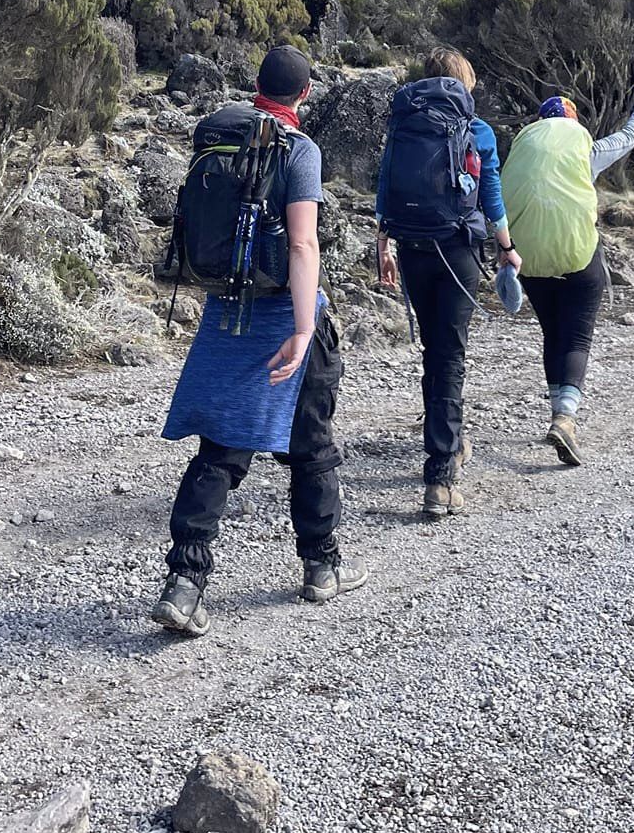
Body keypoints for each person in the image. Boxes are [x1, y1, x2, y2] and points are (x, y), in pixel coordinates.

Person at [151, 44, 365, 637]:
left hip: (226, 312)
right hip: (281, 315)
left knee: (219, 451)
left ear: (257, 89)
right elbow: (302, 245)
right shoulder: (300, 150)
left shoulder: (220, 135)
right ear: (306, 94)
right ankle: (321, 568)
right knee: (312, 447)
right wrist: (302, 329)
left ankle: (184, 586)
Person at [376, 48, 520, 523]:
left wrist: (384, 243)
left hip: (413, 246)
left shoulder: (404, 123)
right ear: (465, 82)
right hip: (458, 250)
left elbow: (386, 184)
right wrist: (506, 247)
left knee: (434, 352)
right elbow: (491, 195)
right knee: (450, 356)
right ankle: (441, 476)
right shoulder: (475, 130)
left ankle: (450, 443)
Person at [500, 60, 634, 467]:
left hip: (527, 257)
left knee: (553, 332)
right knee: (577, 337)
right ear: (572, 122)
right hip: (577, 255)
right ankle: (565, 418)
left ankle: (558, 411)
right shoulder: (585, 148)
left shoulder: (520, 149)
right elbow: (629, 135)